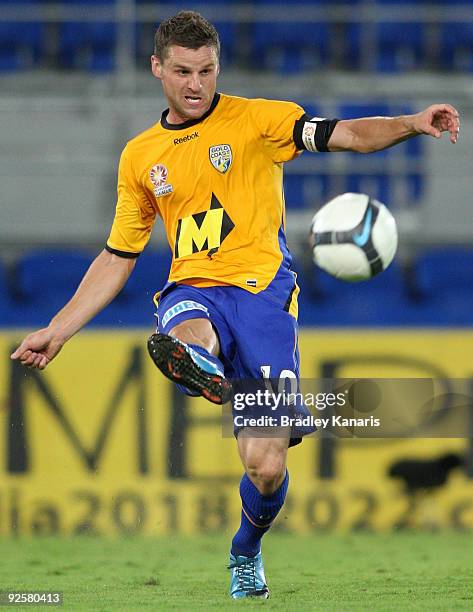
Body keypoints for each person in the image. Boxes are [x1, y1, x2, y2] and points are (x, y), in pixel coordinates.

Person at [11, 10, 460, 600]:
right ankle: (200, 363)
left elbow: (346, 134)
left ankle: (244, 550)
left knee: (265, 468)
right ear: (157, 68)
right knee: (189, 329)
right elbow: (119, 256)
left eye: (205, 70)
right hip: (193, 290)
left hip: (265, 297)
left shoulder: (258, 120)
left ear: (217, 66)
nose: (194, 84)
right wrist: (58, 329)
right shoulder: (140, 157)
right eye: (181, 71)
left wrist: (412, 122)